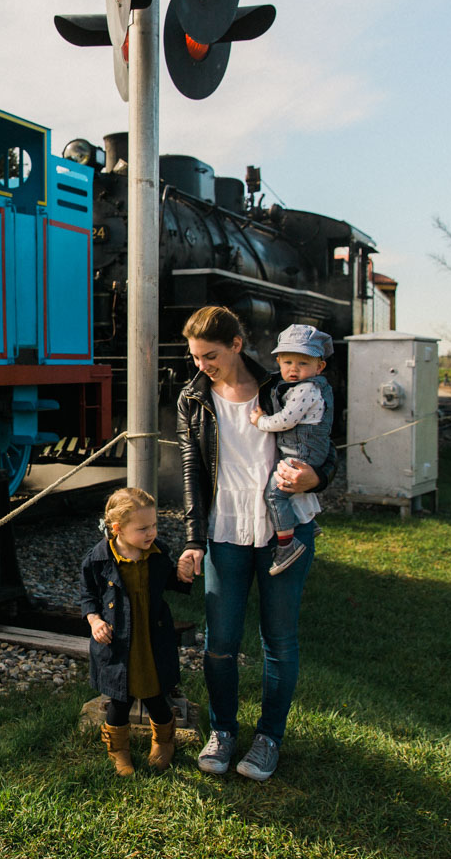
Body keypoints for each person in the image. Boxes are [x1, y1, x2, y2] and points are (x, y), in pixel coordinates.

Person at [176, 305, 335, 783]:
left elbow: (326, 449)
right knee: (220, 642)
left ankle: (268, 739)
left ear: (237, 345)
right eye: (195, 356)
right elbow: (191, 468)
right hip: (225, 528)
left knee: (279, 641)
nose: (202, 364)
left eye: (210, 355)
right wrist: (191, 539)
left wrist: (317, 479)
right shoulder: (193, 397)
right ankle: (223, 732)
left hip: (284, 528)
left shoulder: (287, 386)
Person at [80, 486, 193, 776]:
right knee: (119, 699)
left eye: (154, 525)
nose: (151, 532)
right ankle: (118, 750)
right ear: (117, 528)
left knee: (157, 695)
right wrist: (95, 621)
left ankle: (164, 741)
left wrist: (183, 571)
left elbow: (173, 582)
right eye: (143, 528)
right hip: (119, 643)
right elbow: (88, 597)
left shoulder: (157, 553)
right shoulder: (98, 559)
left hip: (151, 640)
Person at [249, 324, 335, 576]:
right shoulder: (310, 386)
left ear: (319, 367)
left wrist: (259, 421)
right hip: (304, 449)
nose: (294, 369)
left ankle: (287, 545)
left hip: (303, 453)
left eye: (303, 363)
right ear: (278, 361)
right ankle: (306, 519)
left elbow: (285, 421)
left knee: (275, 494)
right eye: (287, 362)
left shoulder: (307, 390)